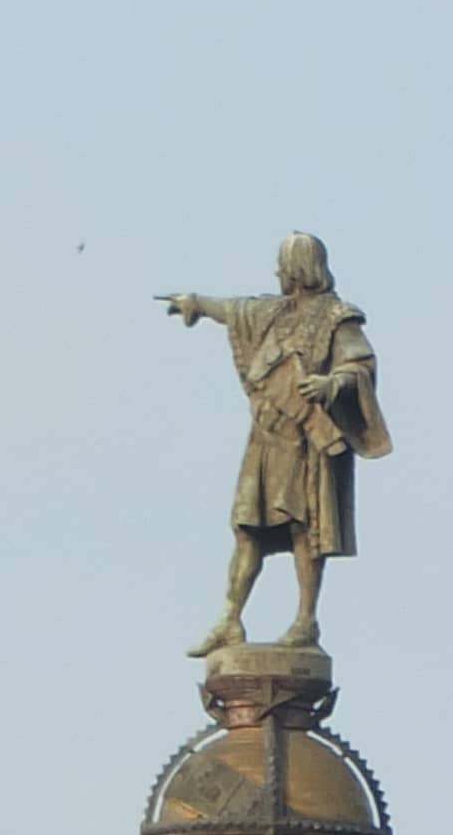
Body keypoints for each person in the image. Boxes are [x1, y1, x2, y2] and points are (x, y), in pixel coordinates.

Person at [162, 233, 390, 654]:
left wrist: (332, 382)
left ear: (300, 268)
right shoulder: (274, 312)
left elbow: (359, 366)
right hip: (266, 438)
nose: (277, 273)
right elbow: (234, 310)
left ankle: (306, 622)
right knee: (247, 531)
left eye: (283, 265)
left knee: (305, 529)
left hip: (307, 438)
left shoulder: (338, 318)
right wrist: (195, 301)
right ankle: (230, 619)